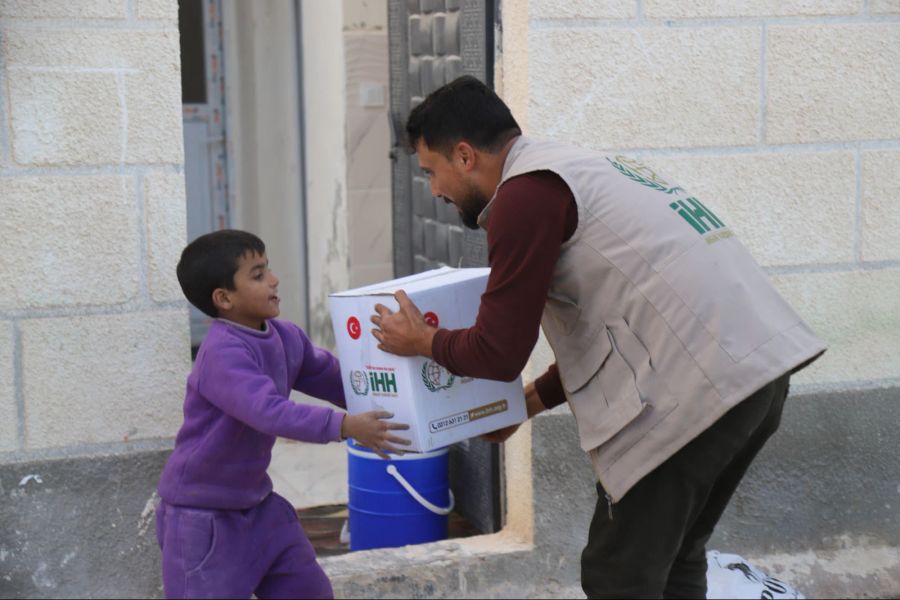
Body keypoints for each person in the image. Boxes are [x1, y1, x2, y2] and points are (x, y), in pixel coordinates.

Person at [370, 76, 826, 599]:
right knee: (674, 560)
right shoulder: (574, 168)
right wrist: (528, 404)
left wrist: (423, 342)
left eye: (432, 172)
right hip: (754, 379)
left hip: (694, 396)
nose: (435, 191)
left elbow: (497, 353)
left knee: (619, 576)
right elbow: (622, 323)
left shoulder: (523, 198)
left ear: (466, 155)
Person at [156, 229, 409, 599]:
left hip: (259, 509)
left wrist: (399, 402)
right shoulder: (222, 355)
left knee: (310, 592)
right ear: (224, 298)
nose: (273, 279)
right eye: (257, 275)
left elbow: (337, 380)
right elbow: (269, 412)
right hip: (201, 521)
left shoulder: (285, 336)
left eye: (268, 268)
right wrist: (345, 426)